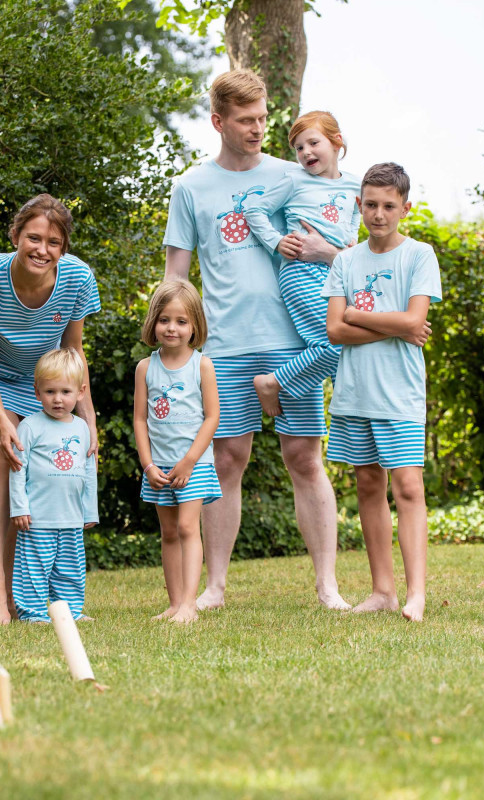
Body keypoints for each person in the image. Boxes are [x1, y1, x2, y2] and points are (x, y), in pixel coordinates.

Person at [163, 69, 349, 611]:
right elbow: (176, 274)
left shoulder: (294, 173)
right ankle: (215, 588)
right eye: (246, 120)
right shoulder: (190, 187)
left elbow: (342, 241)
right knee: (226, 459)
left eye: (263, 118)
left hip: (295, 341)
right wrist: (174, 344)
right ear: (218, 122)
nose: (258, 129)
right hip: (225, 344)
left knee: (305, 458)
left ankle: (328, 587)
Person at [0, 194, 101, 625]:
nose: (42, 249)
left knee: (34, 468)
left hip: (43, 377)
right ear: (15, 235)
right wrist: (2, 419)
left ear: (64, 247)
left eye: (54, 242)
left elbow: (74, 350)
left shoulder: (77, 279)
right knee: (9, 457)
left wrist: (89, 418)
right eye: (33, 237)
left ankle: (20, 589)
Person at [323, 163, 441, 622]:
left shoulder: (419, 255)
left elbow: (415, 320)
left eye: (389, 206)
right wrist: (394, 326)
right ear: (358, 204)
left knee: (408, 487)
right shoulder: (345, 261)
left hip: (400, 394)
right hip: (355, 393)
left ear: (405, 208)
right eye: (370, 204)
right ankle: (383, 591)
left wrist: (357, 315)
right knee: (368, 484)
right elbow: (335, 330)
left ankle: (416, 596)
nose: (378, 214)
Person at [244, 110, 360, 416]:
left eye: (313, 143)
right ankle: (272, 383)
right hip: (301, 271)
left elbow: (355, 216)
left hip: (336, 273)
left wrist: (351, 239)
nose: (305, 152)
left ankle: (349, 418)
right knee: (337, 341)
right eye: (298, 147)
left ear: (337, 142)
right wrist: (276, 241)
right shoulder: (294, 180)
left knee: (352, 352)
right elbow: (254, 210)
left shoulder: (354, 185)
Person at [133, 280, 221, 623]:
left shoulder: (202, 365)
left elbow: (212, 418)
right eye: (165, 320)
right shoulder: (145, 368)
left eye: (181, 321)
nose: (172, 328)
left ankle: (189, 605)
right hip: (159, 467)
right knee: (168, 533)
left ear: (194, 325)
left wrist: (188, 461)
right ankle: (173, 604)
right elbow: (140, 420)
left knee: (187, 527)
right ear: (153, 322)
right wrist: (148, 464)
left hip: (194, 464)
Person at [8, 348, 98, 623]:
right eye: (50, 392)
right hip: (37, 518)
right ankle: (33, 614)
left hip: (71, 517)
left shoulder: (82, 428)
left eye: (65, 392)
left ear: (80, 392)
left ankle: (70, 612)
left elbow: (89, 471)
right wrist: (19, 507)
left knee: (70, 570)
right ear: (37, 393)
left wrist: (90, 510)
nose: (58, 399)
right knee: (33, 570)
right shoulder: (29, 427)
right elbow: (18, 469)